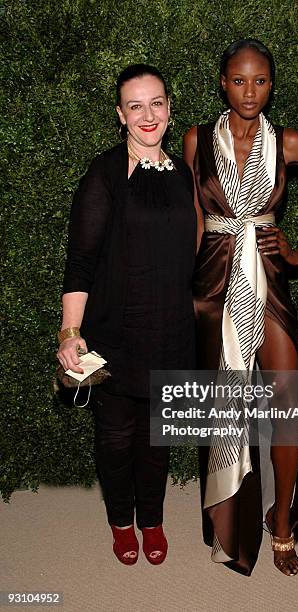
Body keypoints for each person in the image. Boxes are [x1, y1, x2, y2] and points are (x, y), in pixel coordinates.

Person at [184, 39, 298, 576]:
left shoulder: (288, 142)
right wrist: (179, 290)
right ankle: (228, 517)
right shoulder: (195, 140)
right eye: (238, 80)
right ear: (222, 82)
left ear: (272, 85)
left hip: (268, 283)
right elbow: (194, 217)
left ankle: (281, 520)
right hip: (212, 283)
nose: (249, 91)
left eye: (260, 81)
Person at [57, 64, 196, 566]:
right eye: (135, 105)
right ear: (120, 115)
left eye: (156, 102)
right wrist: (71, 331)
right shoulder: (105, 174)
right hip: (115, 332)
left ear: (168, 108)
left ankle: (153, 520)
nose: (147, 114)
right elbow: (80, 261)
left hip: (172, 330)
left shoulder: (183, 173)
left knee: (159, 439)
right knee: (116, 439)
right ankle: (121, 523)